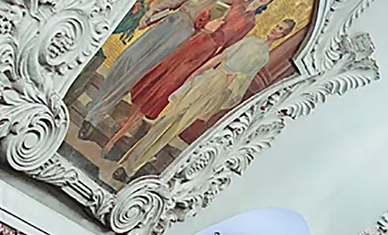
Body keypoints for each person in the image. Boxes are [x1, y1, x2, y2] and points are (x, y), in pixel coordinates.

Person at [79, 0, 264, 135]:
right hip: (171, 20)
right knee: (127, 58)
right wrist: (155, 10)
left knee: (138, 71)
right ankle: (96, 105)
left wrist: (203, 30)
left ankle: (94, 116)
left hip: (184, 32)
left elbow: (206, 22)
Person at [112, 18, 296, 182]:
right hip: (210, 79)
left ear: (282, 36)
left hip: (220, 90)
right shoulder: (249, 41)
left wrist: (235, 80)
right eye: (277, 26)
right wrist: (198, 72)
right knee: (168, 119)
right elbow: (221, 57)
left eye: (281, 30)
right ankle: (128, 161)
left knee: (175, 128)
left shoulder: (263, 57)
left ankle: (131, 168)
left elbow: (245, 80)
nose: (275, 30)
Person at [104, 0, 281, 150]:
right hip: (195, 41)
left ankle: (126, 128)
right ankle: (127, 122)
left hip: (206, 53)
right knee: (160, 75)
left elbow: (230, 45)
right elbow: (208, 13)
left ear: (268, 3)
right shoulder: (234, 3)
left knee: (168, 86)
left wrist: (212, 64)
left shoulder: (250, 22)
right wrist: (206, 24)